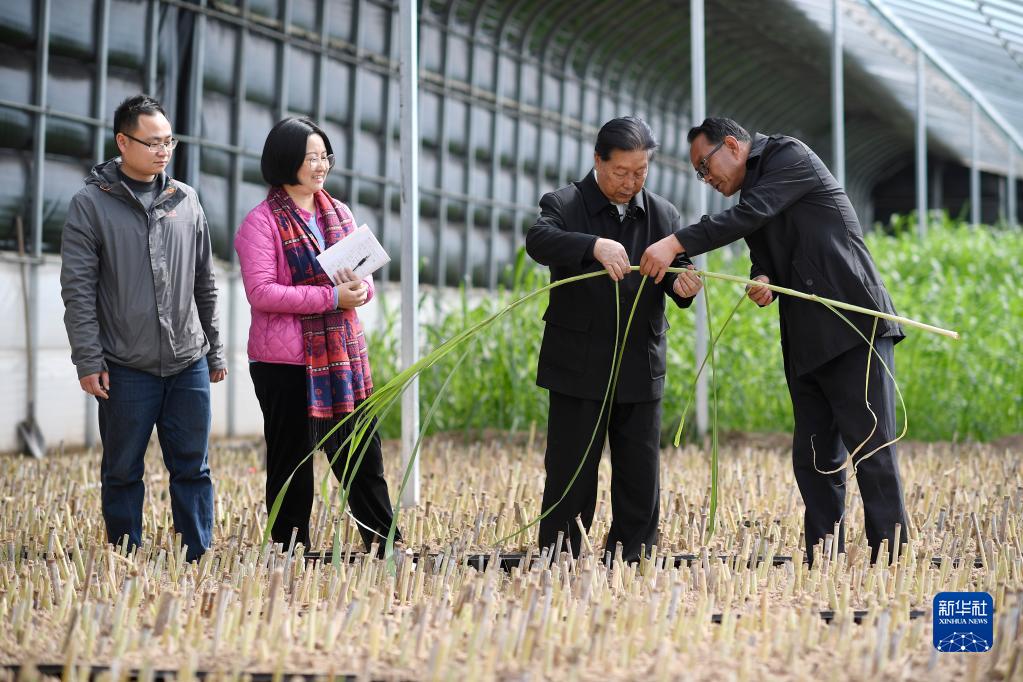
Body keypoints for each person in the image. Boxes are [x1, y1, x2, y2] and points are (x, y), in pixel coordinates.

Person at [640, 117, 908, 563]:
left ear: (732, 145)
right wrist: (761, 278)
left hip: (851, 325)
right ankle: (822, 559)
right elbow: (763, 254)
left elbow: (751, 215)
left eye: (706, 168)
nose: (707, 180)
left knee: (871, 449)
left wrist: (675, 242)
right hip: (806, 338)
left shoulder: (789, 156)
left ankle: (893, 561)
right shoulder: (755, 191)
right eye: (699, 175)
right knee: (814, 456)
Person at [525, 116, 703, 562]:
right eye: (621, 172)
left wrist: (684, 286)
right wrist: (592, 246)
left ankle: (633, 557)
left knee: (640, 472)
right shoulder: (565, 203)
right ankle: (561, 556)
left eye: (640, 172)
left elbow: (681, 274)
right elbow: (539, 240)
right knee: (571, 470)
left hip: (640, 362)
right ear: (597, 161)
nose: (630, 182)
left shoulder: (663, 213)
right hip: (577, 364)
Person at [60, 94, 225, 562]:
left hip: (186, 362)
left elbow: (205, 284)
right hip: (125, 366)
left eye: (169, 141)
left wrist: (213, 352)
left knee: (193, 468)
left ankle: (197, 554)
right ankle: (124, 556)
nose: (162, 150)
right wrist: (89, 360)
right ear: (122, 142)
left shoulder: (186, 200)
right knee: (122, 470)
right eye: (152, 142)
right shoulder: (90, 205)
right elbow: (78, 291)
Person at [235, 116, 400, 553]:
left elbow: (365, 278)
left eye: (324, 155)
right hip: (284, 364)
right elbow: (262, 292)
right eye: (311, 157)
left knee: (363, 454)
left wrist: (360, 291)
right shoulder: (261, 222)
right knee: (291, 462)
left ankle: (385, 545)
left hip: (341, 357)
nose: (320, 165)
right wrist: (332, 299)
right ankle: (289, 551)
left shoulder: (339, 212)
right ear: (286, 161)